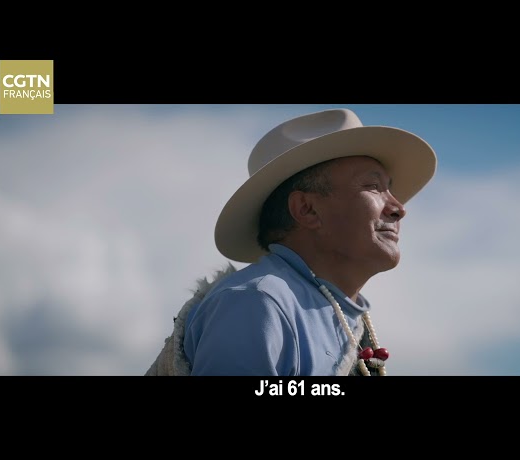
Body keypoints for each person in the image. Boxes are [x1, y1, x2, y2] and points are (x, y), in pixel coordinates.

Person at [145, 108, 437, 376]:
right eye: (373, 186)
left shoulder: (343, 316)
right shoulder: (257, 301)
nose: (399, 208)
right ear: (307, 210)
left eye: (389, 189)